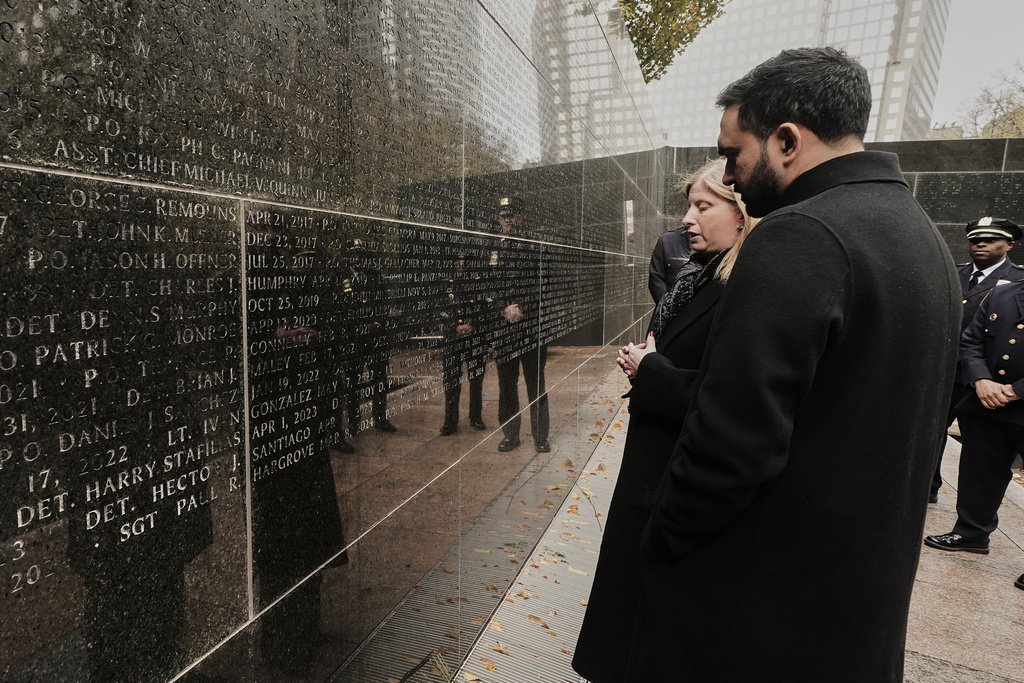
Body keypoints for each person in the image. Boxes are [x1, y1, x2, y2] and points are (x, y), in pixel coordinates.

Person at [627, 47, 959, 682]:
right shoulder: (921, 235)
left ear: (785, 140)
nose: (733, 174)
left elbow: (731, 442)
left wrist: (663, 539)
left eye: (735, 154)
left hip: (758, 617)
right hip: (853, 613)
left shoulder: (799, 234)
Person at [573, 158, 756, 683]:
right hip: (652, 468)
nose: (687, 219)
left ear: (741, 213)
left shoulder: (744, 287)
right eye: (688, 206)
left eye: (703, 206)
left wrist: (651, 371)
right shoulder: (699, 275)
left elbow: (729, 396)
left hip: (677, 478)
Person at [925, 243, 1024, 555]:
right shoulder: (1003, 294)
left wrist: (1016, 389)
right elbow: (972, 339)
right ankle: (972, 532)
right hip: (987, 401)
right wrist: (980, 379)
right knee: (980, 470)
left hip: (1014, 398)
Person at [491, 196, 550, 453]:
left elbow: (543, 282)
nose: (507, 220)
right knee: (506, 385)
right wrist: (503, 307)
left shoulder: (535, 245)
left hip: (530, 327)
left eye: (511, 215)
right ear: (499, 218)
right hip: (504, 328)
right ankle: (511, 435)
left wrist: (522, 307)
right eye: (503, 215)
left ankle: (540, 437)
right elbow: (485, 285)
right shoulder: (491, 247)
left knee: (535, 383)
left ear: (520, 217)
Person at [439, 248, 489, 435]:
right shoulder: (446, 284)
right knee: (451, 382)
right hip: (453, 339)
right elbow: (440, 309)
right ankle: (450, 422)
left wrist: (473, 325)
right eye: (458, 264)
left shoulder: (478, 283)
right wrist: (454, 326)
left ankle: (476, 418)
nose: (461, 267)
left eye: (464, 264)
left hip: (475, 339)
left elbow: (485, 308)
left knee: (476, 381)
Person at [647, 225, 692, 303]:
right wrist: (668, 308)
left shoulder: (718, 241)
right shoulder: (667, 240)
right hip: (673, 309)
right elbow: (656, 279)